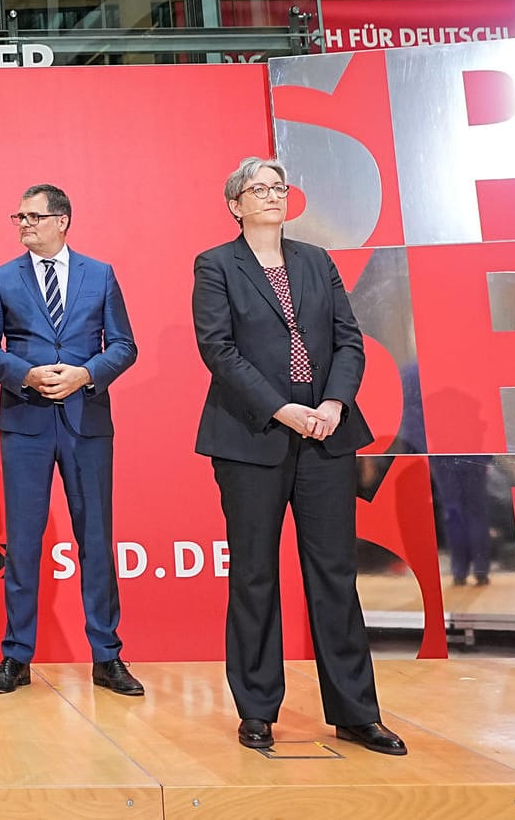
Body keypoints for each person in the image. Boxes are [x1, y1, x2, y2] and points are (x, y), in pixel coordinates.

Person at [191, 156, 406, 755]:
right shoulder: (215, 265)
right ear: (235, 204)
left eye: (278, 186)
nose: (271, 195)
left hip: (328, 435)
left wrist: (334, 404)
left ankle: (356, 712)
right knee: (256, 575)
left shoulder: (316, 260)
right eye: (257, 188)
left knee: (336, 575)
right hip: (250, 439)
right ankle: (257, 709)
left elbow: (348, 339)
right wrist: (283, 409)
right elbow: (219, 349)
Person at [0, 183, 143, 699]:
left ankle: (107, 656)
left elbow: (125, 346)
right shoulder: (2, 278)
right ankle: (16, 656)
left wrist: (86, 374)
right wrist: (26, 374)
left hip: (86, 421)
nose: (24, 225)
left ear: (62, 220)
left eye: (33, 216)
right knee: (22, 542)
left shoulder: (100, 274)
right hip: (26, 423)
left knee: (95, 538)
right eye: (18, 217)